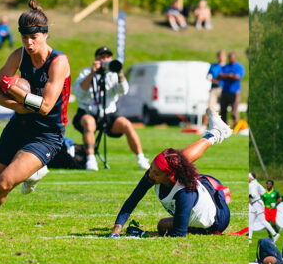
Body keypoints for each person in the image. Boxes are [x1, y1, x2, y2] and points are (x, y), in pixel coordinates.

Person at [0, 0, 71, 234]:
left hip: (47, 133)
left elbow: (45, 107)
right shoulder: (18, 55)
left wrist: (17, 92)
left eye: (34, 37)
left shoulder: (59, 62)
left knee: (5, 183)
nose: (29, 43)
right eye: (25, 38)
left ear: (45, 34)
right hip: (20, 124)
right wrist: (17, 106)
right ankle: (33, 171)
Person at [109, 108, 232, 238]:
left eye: (156, 173)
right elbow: (133, 199)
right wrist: (116, 230)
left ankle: (216, 132)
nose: (150, 174)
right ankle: (216, 132)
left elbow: (179, 235)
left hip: (218, 219)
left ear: (169, 175)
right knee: (177, 160)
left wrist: (144, 234)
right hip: (204, 186)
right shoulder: (154, 174)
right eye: (151, 168)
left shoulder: (185, 193)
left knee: (163, 225)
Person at [72, 46, 150, 171]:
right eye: (102, 57)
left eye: (107, 57)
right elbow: (79, 92)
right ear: (96, 59)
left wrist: (119, 72)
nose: (105, 60)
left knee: (126, 124)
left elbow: (123, 90)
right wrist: (93, 72)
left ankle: (141, 159)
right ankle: (91, 160)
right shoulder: (86, 72)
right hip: (87, 112)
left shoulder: (114, 75)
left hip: (109, 114)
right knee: (89, 122)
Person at [248, 173, 279, 243]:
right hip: (255, 203)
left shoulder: (252, 185)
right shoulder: (256, 183)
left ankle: (275, 234)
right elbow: (263, 191)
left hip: (257, 204)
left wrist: (249, 195)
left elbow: (253, 195)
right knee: (250, 221)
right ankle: (249, 239)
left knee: (262, 221)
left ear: (251, 178)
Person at [218, 52, 245, 126]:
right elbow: (220, 76)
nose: (230, 59)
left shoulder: (239, 67)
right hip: (225, 91)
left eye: (232, 58)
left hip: (234, 92)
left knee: (234, 111)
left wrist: (226, 76)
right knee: (223, 111)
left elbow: (237, 77)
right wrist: (230, 76)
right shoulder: (225, 67)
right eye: (229, 58)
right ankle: (224, 127)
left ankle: (237, 127)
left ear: (235, 58)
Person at [204, 50, 226, 125]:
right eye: (220, 56)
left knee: (223, 108)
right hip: (214, 88)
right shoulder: (213, 66)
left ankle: (222, 125)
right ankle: (205, 124)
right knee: (210, 107)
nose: (221, 58)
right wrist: (212, 79)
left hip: (223, 88)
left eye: (222, 56)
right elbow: (208, 75)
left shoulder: (226, 67)